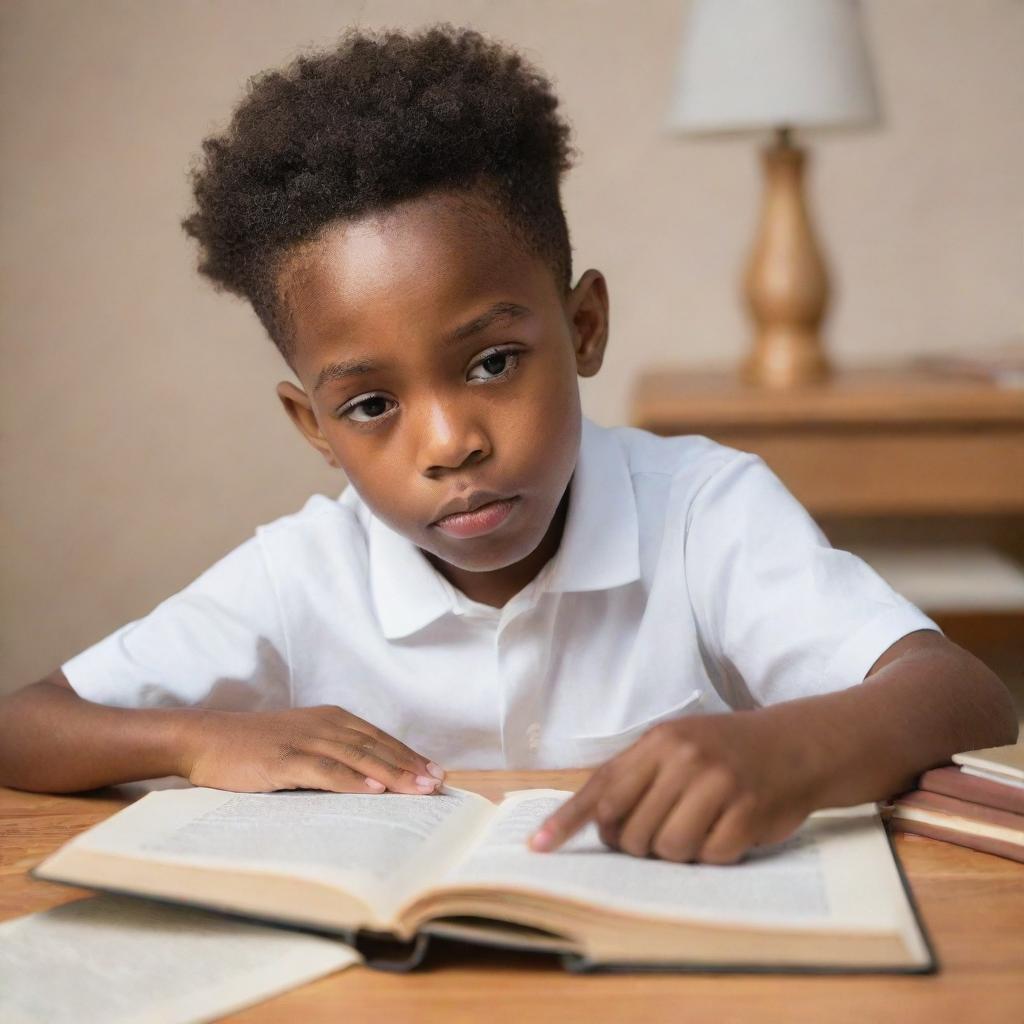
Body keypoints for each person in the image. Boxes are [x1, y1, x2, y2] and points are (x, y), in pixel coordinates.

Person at [0, 25, 1015, 866]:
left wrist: (785, 746)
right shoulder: (299, 574)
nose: (449, 443)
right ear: (312, 426)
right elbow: (23, 722)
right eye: (369, 406)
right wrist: (195, 737)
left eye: (489, 362)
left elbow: (964, 694)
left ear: (581, 329)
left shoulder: (703, 509)